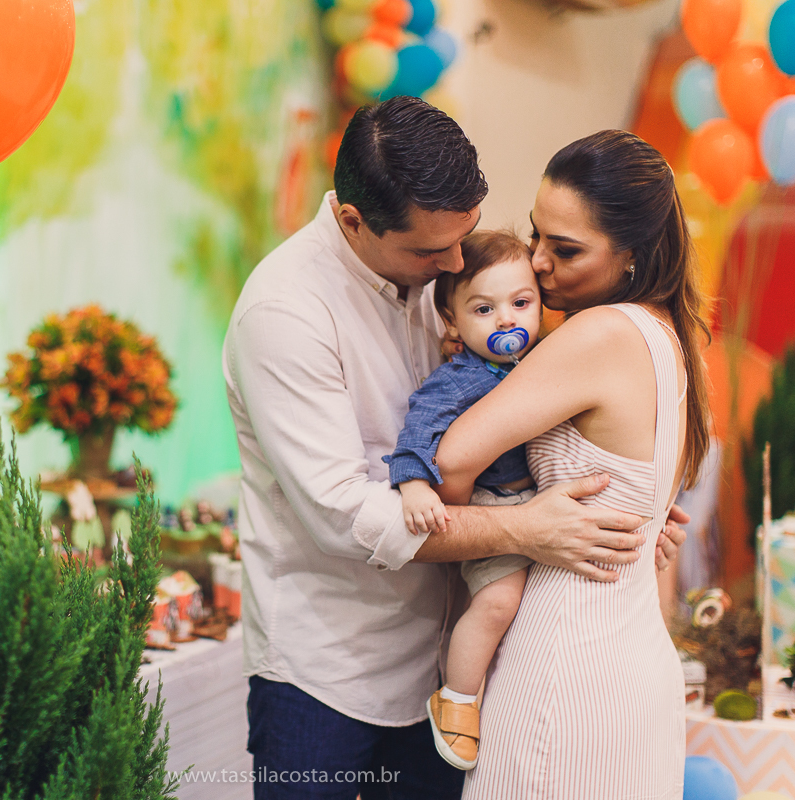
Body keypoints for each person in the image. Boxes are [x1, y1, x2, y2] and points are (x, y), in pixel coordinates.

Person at [223, 97, 687, 800]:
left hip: (444, 661)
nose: (457, 262)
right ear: (353, 221)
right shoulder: (286, 311)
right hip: (328, 672)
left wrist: (631, 506)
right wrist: (525, 528)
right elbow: (343, 514)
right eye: (428, 251)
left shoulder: (447, 274)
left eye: (464, 236)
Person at [432, 130, 711, 799]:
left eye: (565, 249)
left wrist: (493, 538)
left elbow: (451, 459)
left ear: (632, 254)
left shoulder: (600, 333)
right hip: (635, 667)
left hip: (567, 665)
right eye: (536, 235)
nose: (537, 262)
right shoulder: (670, 336)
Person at [383, 230, 542, 770]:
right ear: (452, 321)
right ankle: (456, 700)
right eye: (484, 309)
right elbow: (417, 431)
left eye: (521, 302)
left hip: (532, 501)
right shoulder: (459, 380)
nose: (506, 319)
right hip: (492, 506)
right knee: (497, 603)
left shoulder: (540, 363)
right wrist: (412, 484)